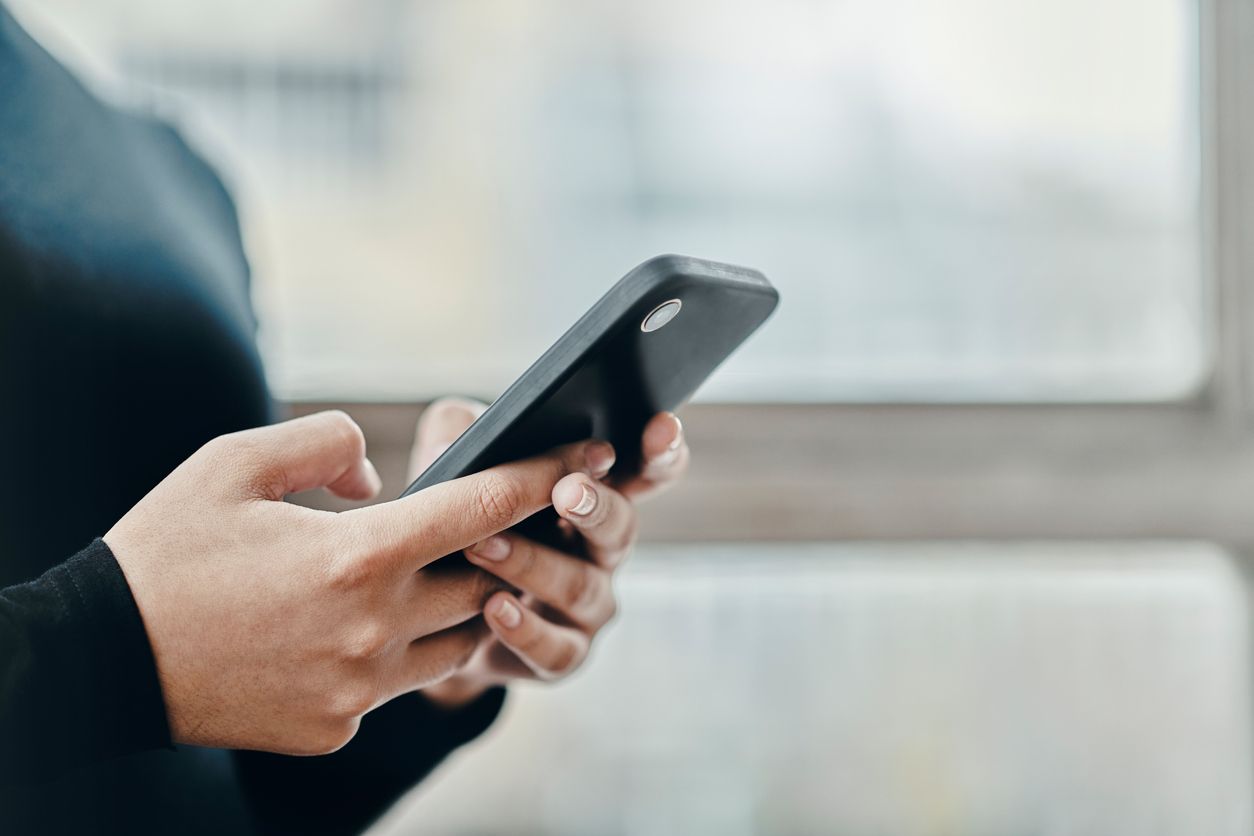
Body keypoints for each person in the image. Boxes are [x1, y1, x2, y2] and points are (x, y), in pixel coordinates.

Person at [0, 6, 690, 834]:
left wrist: (419, 653)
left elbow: (224, 790)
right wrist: (106, 655)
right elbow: (131, 669)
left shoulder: (168, 170)